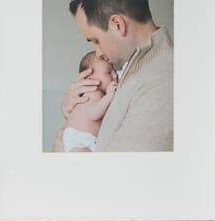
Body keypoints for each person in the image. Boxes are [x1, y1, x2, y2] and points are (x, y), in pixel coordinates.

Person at [53, 0, 173, 153]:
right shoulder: (133, 69)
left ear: (117, 24)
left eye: (96, 40)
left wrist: (59, 147)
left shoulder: (161, 85)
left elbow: (113, 173)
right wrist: (74, 110)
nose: (98, 53)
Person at [61, 52, 118, 152]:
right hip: (80, 138)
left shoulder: (98, 94)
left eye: (115, 71)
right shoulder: (93, 93)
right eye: (108, 72)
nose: (115, 75)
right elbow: (93, 114)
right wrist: (109, 96)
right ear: (90, 78)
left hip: (88, 139)